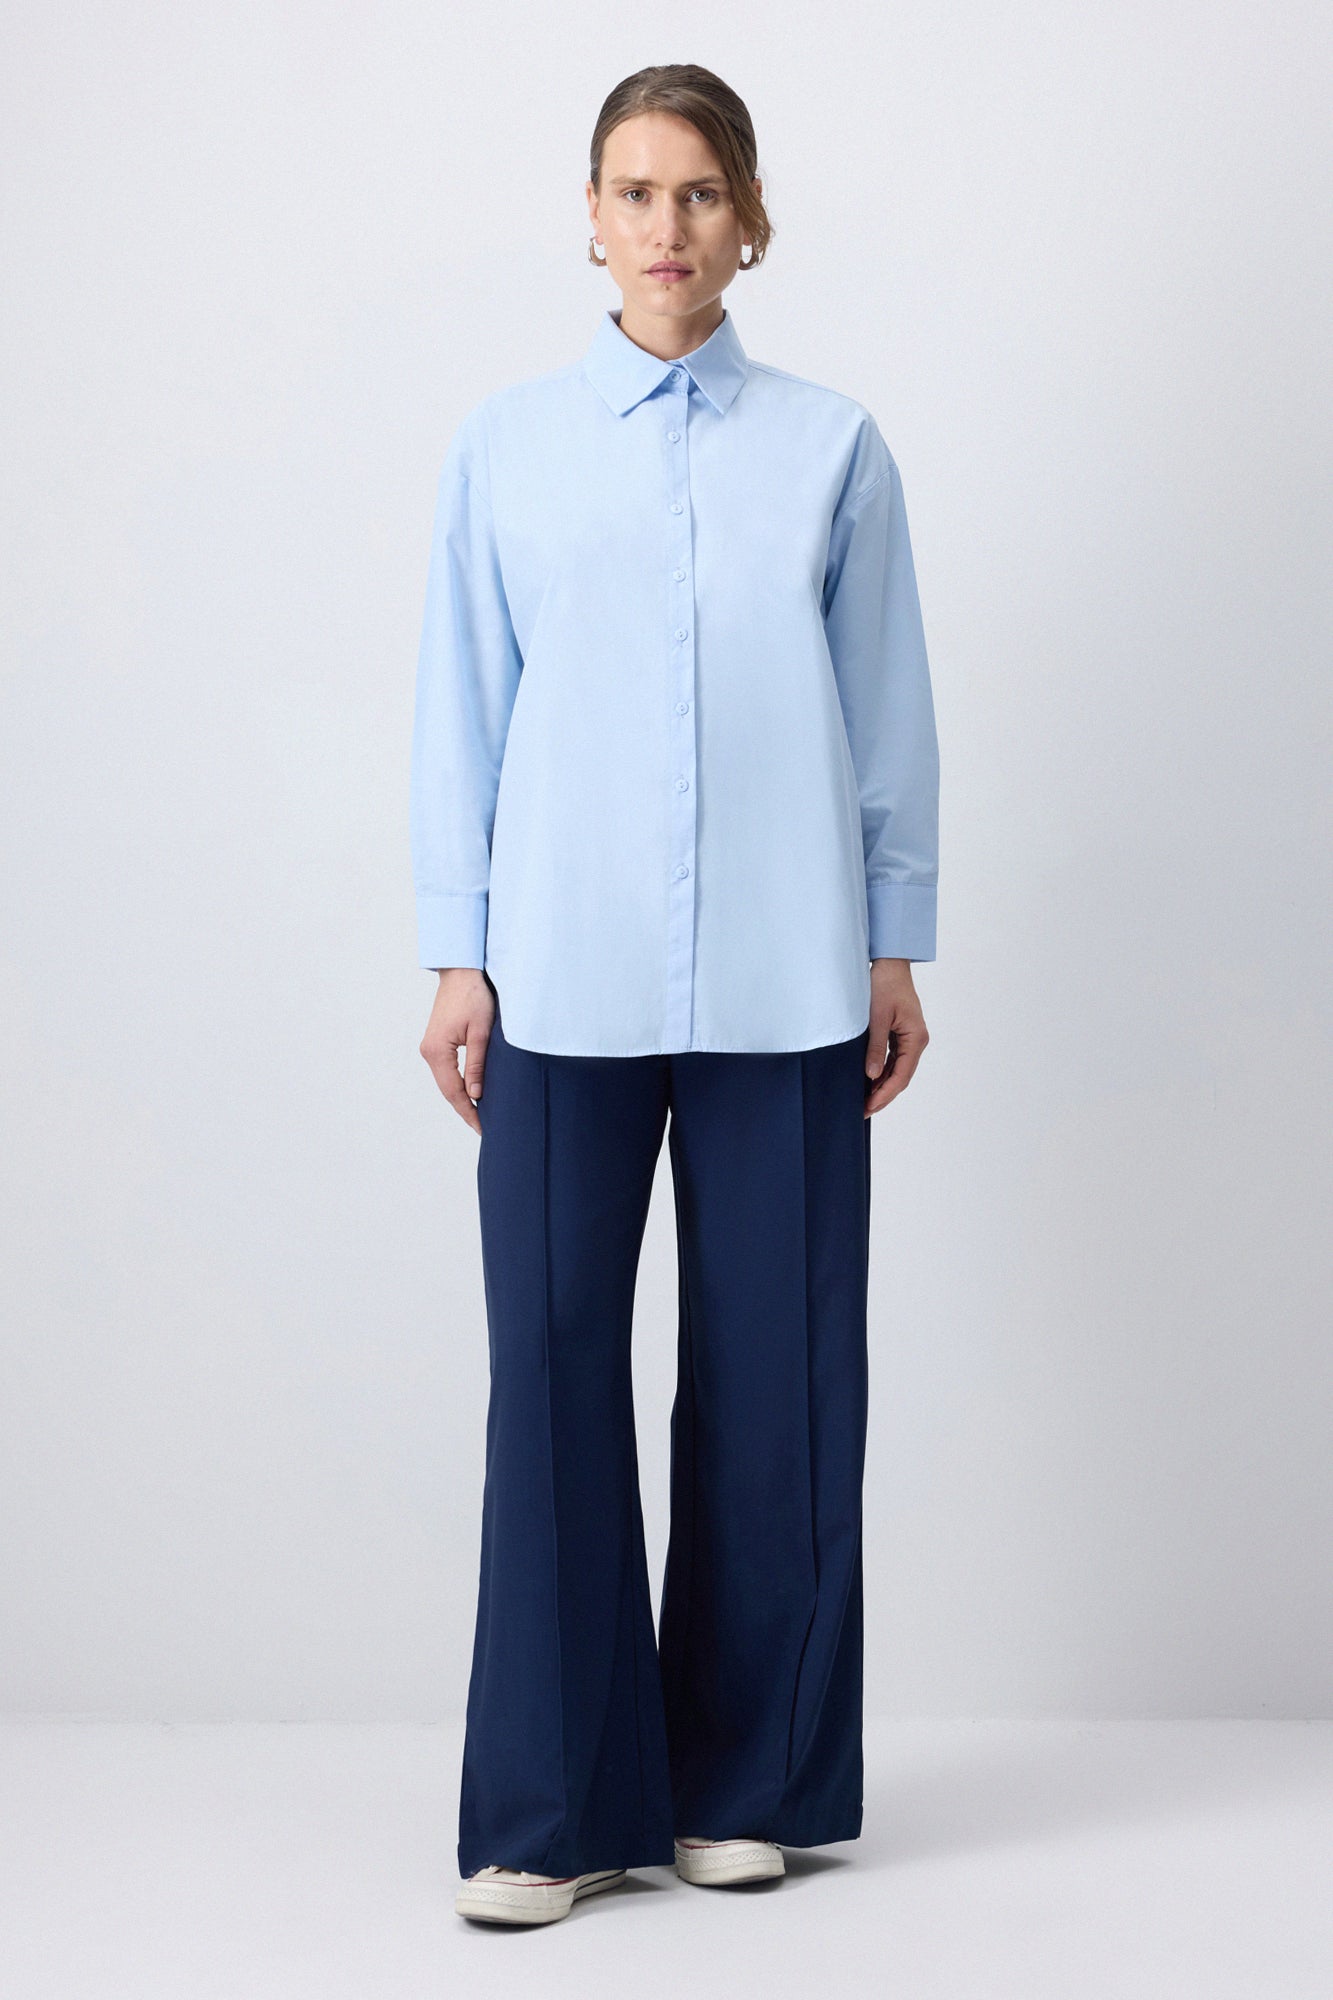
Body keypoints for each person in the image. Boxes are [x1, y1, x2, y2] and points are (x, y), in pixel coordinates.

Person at [410, 63, 940, 1928]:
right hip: (560, 976)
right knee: (554, 1372)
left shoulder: (831, 448)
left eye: (699, 192)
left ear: (748, 218)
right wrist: (457, 947)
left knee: (776, 1381)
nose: (665, 226)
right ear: (588, 214)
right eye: (634, 191)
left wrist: (892, 939)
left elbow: (885, 708)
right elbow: (462, 704)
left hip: (791, 976)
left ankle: (745, 1784)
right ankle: (549, 1811)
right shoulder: (506, 448)